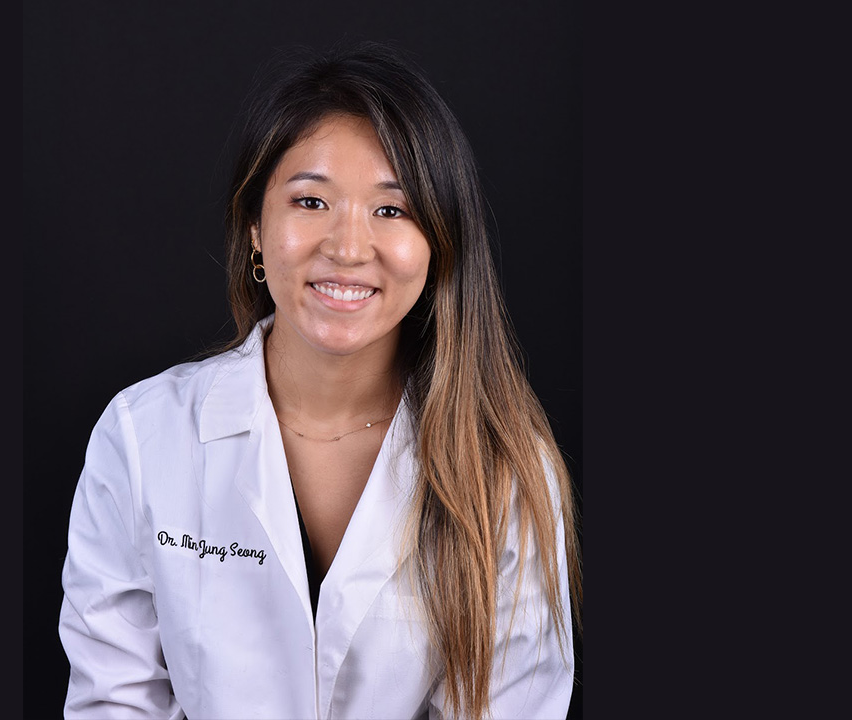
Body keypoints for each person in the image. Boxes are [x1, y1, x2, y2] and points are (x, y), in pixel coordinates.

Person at [58, 41, 582, 720]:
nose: (347, 246)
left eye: (391, 210)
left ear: (439, 243)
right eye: (310, 201)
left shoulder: (504, 468)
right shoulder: (141, 437)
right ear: (255, 225)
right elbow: (112, 703)